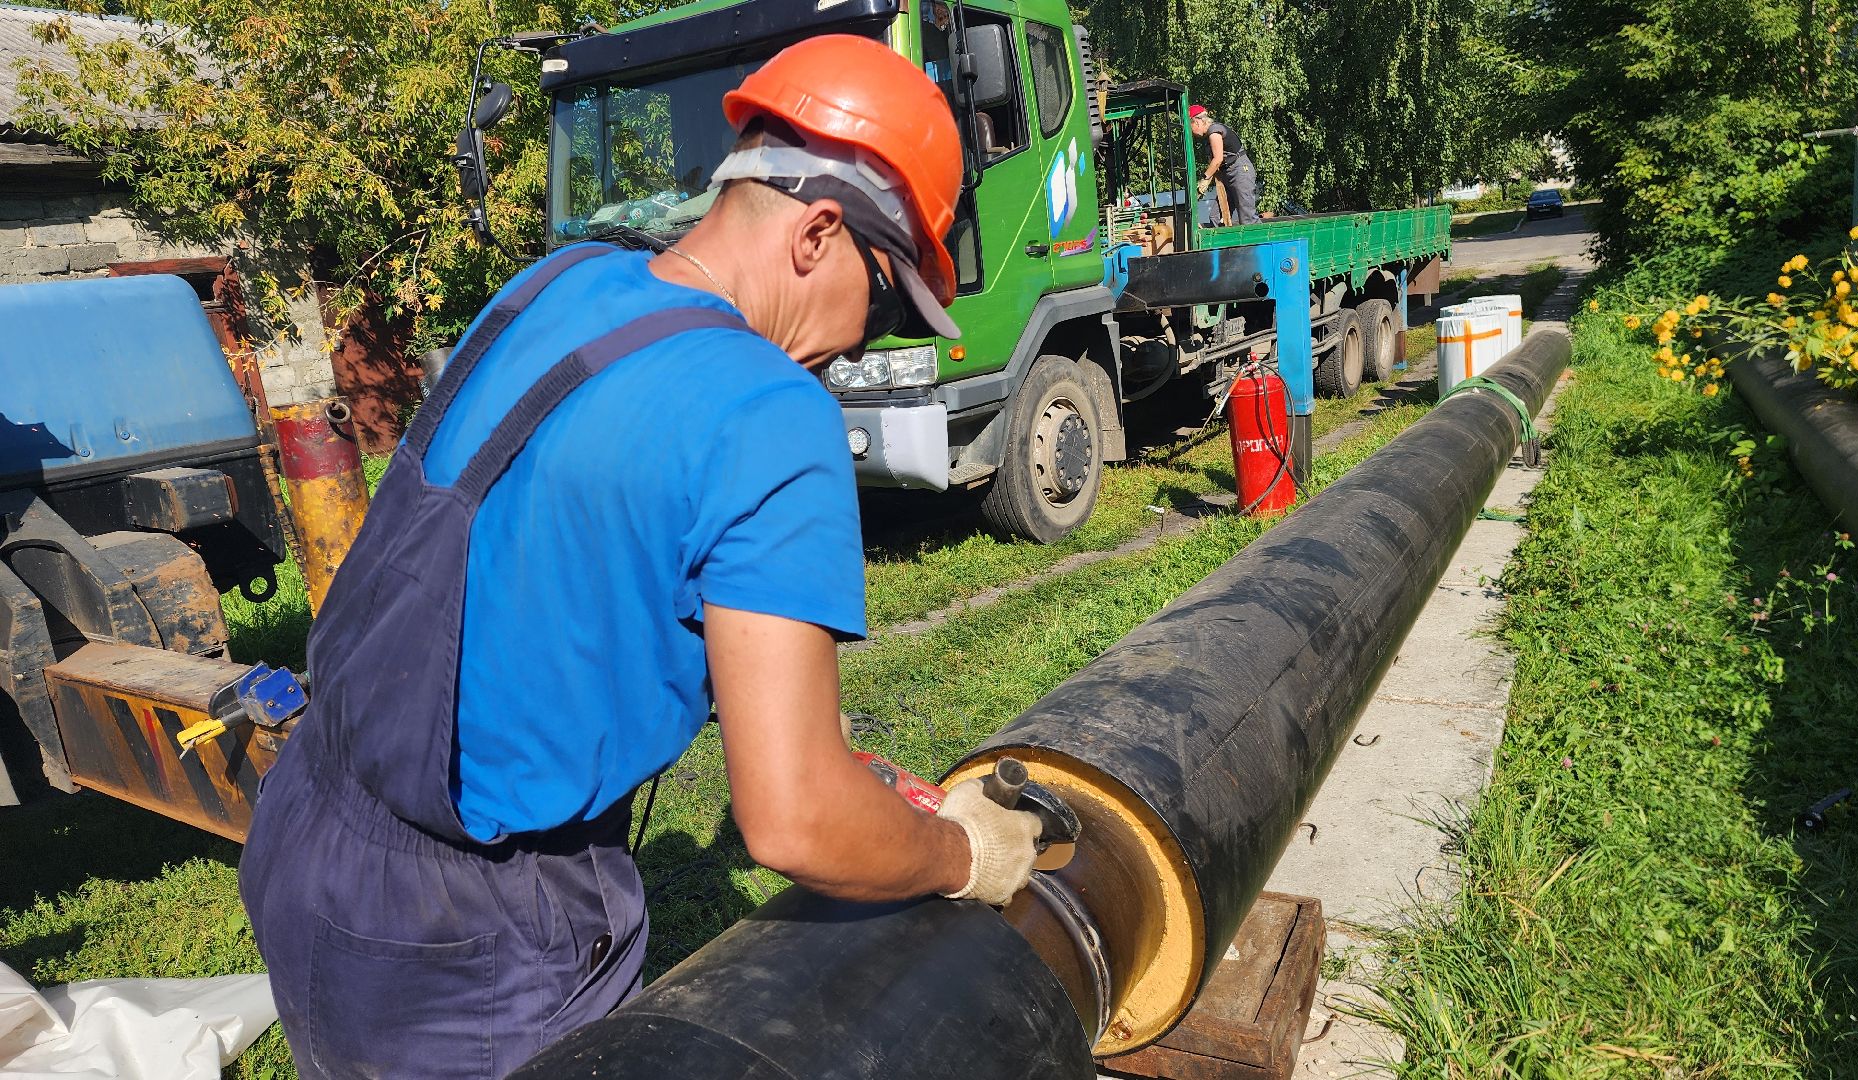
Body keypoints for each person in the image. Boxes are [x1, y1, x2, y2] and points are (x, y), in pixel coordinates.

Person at [238, 35, 1043, 1080]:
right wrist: (958, 854)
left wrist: (772, 699)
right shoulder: (771, 408)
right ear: (819, 234)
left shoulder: (552, 287)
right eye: (887, 298)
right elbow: (794, 823)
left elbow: (545, 551)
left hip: (311, 827)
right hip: (472, 931)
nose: (864, 340)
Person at [1190, 105, 1260, 225]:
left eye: (1189, 127)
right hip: (1228, 175)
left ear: (1196, 122)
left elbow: (1217, 160)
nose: (1191, 133)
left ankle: (1260, 242)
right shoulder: (1208, 138)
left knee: (1247, 217)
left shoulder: (1214, 131)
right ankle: (1220, 243)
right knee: (1216, 217)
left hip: (1240, 171)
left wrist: (1204, 180)